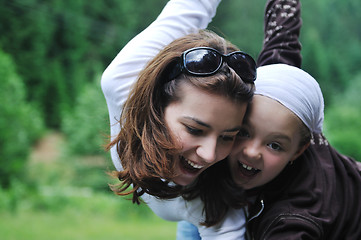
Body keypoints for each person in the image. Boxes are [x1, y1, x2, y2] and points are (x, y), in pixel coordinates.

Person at [101, 0, 256, 204]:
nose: (209, 155)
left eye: (228, 137)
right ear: (157, 105)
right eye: (194, 129)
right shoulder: (122, 78)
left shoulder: (214, 196)